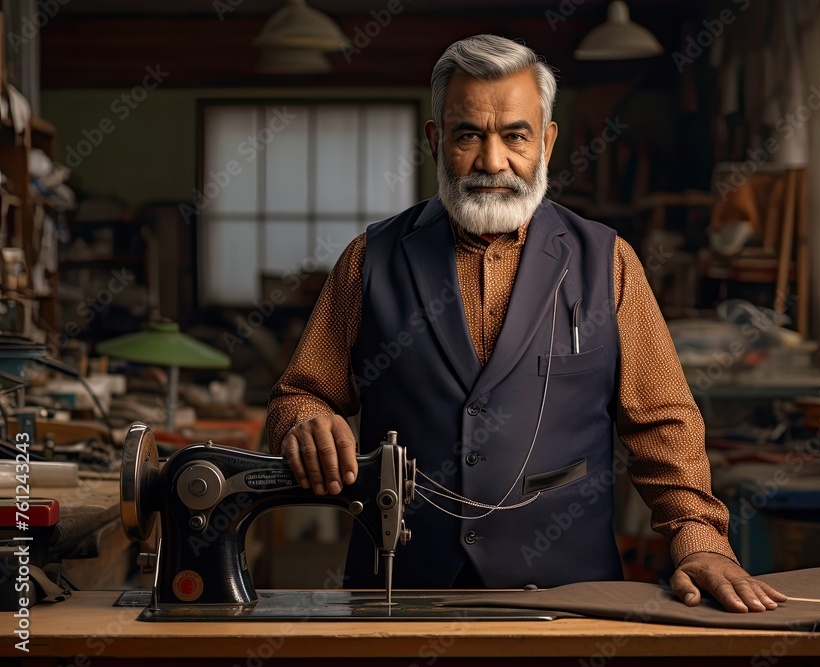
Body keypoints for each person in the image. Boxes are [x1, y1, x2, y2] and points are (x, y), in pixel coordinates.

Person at [267, 34, 785, 613]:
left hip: (572, 601)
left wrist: (700, 543)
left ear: (547, 141)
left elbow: (662, 423)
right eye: (469, 135)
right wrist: (307, 422)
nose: (493, 162)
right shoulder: (371, 259)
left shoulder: (607, 262)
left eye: (515, 135)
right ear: (436, 140)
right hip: (399, 591)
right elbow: (299, 395)